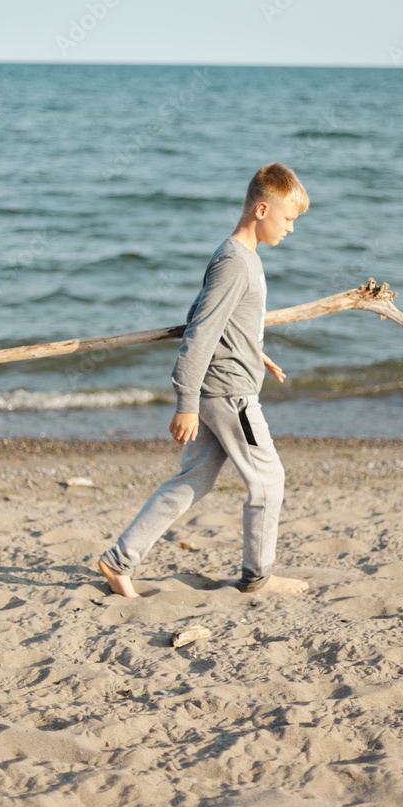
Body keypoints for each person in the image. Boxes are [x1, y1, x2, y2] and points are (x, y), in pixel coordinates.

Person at [98, 162, 310, 598]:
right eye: (288, 219)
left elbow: (219, 321)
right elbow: (200, 332)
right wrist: (186, 401)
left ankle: (119, 560)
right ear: (262, 209)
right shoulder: (236, 263)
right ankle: (258, 578)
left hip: (226, 383)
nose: (291, 229)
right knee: (268, 481)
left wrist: (257, 353)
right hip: (230, 394)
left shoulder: (238, 256)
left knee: (194, 480)